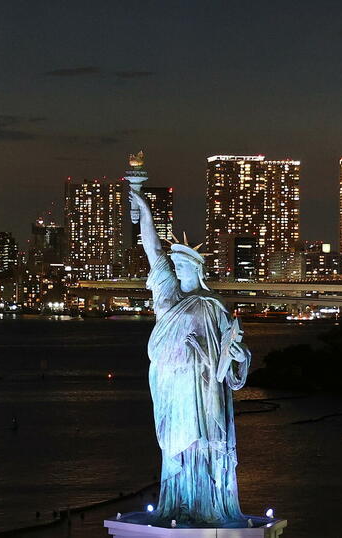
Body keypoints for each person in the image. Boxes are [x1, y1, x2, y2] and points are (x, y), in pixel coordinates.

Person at [130, 187, 251, 527]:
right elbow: (153, 251)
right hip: (171, 384)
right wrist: (146, 213)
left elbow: (233, 349)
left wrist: (240, 358)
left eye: (184, 266)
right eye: (176, 266)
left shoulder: (212, 306)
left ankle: (206, 504)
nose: (178, 271)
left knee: (204, 442)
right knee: (174, 447)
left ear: (197, 270)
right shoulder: (167, 292)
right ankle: (179, 502)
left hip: (202, 384)